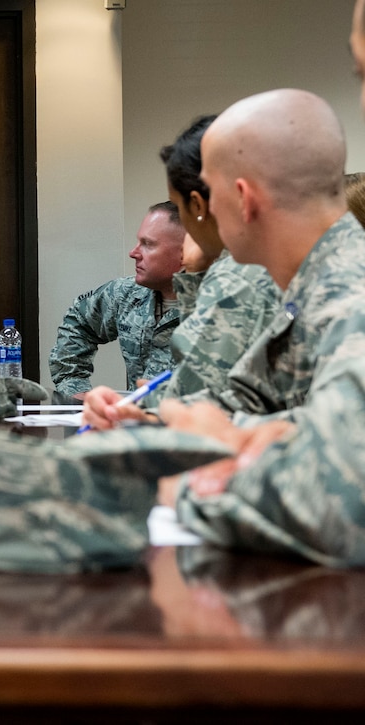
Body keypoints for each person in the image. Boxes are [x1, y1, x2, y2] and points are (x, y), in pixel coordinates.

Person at [88, 87, 365, 566]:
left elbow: (342, 507)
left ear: (241, 199)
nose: (201, 214)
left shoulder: (348, 298)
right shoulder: (311, 286)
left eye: (207, 194)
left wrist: (184, 482)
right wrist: (159, 428)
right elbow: (253, 409)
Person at [133, 115, 281, 406]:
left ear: (198, 205)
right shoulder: (275, 264)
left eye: (179, 207)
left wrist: (140, 405)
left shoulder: (236, 278)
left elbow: (199, 398)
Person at [48, 202, 186, 398]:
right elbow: (79, 323)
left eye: (148, 244)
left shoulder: (221, 307)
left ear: (185, 251)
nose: (134, 253)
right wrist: (75, 389)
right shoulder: (128, 293)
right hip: (134, 424)